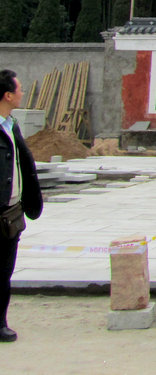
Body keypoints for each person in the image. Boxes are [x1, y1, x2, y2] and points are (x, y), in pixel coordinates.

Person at [0, 70, 42, 344]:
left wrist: (30, 200)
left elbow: (24, 165)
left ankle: (0, 322)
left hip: (11, 212)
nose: (23, 92)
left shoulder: (11, 125)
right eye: (20, 89)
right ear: (7, 95)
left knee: (5, 272)